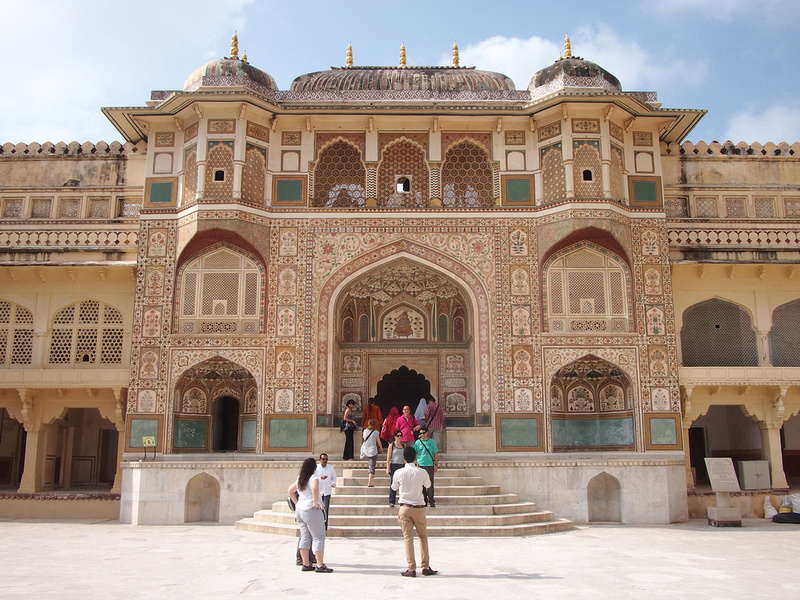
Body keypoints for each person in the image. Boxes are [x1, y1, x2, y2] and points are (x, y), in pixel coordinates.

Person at [391, 445, 438, 577]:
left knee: (408, 539)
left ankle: (411, 568)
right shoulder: (421, 471)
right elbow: (428, 485)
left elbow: (394, 487)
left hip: (405, 507)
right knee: (423, 537)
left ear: (404, 458)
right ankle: (425, 566)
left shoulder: (399, 472)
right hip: (419, 507)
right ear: (415, 457)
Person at [288, 457, 333, 573]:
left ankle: (306, 563)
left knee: (304, 536)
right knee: (319, 536)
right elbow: (314, 488)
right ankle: (319, 564)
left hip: (300, 510)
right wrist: (314, 502)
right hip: (310, 510)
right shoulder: (314, 478)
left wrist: (297, 503)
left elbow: (290, 491)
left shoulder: (300, 479)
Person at [414, 426, 439, 508]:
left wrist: (436, 464)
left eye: (423, 433)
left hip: (429, 465)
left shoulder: (431, 442)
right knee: (421, 484)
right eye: (420, 433)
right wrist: (416, 462)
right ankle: (424, 500)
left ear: (427, 433)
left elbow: (435, 453)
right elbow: (415, 453)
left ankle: (431, 500)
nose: (422, 435)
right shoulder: (417, 442)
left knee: (430, 483)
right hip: (420, 465)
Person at [315, 453, 337, 529]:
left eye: (326, 459)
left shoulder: (330, 468)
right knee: (318, 510)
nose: (325, 461)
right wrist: (320, 478)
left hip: (327, 491)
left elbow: (334, 477)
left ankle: (324, 527)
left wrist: (333, 483)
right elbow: (313, 478)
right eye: (323, 459)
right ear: (320, 460)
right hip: (318, 492)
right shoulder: (316, 468)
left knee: (325, 509)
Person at [386, 429, 405, 508]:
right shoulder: (392, 445)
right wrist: (388, 467)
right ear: (395, 437)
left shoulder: (403, 445)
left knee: (402, 483)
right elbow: (389, 456)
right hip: (394, 465)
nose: (399, 437)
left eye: (401, 436)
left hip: (402, 465)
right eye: (398, 436)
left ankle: (402, 500)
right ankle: (391, 500)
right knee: (393, 483)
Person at [360, 419, 382, 486]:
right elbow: (378, 441)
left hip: (366, 449)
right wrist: (381, 448)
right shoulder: (376, 432)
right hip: (373, 450)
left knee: (370, 463)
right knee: (372, 466)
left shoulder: (365, 431)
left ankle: (371, 475)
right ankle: (369, 482)